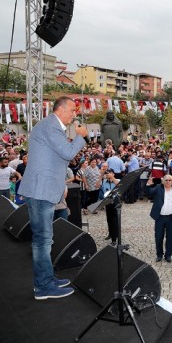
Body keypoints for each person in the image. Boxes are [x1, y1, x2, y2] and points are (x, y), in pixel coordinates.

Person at [18, 96, 87, 300]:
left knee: (45, 239)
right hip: (41, 191)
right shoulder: (50, 126)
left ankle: (47, 278)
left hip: (43, 190)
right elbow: (67, 152)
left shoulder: (52, 127)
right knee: (42, 240)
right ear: (61, 109)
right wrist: (80, 136)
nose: (75, 114)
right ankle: (43, 286)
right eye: (73, 110)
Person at [146, 174, 172, 262]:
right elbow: (149, 192)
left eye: (170, 180)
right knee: (158, 237)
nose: (168, 182)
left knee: (170, 238)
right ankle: (159, 254)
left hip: (171, 218)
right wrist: (148, 184)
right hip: (160, 218)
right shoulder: (158, 188)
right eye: (166, 180)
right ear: (163, 181)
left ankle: (168, 255)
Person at [100, 169, 120, 246]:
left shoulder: (117, 180)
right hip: (107, 202)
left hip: (116, 202)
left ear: (113, 174)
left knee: (115, 220)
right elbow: (97, 186)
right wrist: (100, 177)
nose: (107, 175)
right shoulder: (104, 181)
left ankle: (114, 238)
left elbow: (119, 185)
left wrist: (112, 178)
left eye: (109, 173)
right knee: (109, 219)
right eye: (107, 174)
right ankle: (111, 234)